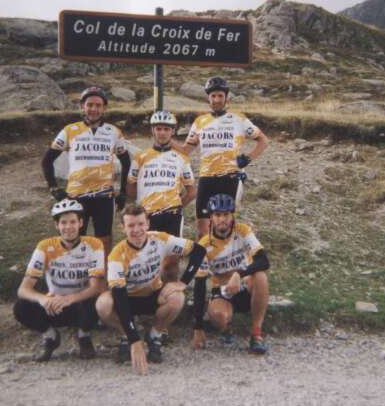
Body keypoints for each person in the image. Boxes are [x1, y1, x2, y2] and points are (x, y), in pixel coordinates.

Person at [96, 205, 206, 375]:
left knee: (178, 298)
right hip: (127, 298)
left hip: (153, 294)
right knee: (103, 304)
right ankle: (125, 335)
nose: (137, 230)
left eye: (140, 224)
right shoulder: (116, 255)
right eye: (131, 226)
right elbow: (119, 297)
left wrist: (183, 282)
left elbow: (199, 250)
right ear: (122, 228)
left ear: (148, 224)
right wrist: (134, 339)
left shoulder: (160, 239)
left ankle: (155, 334)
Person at [172, 76, 268, 238]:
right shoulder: (200, 122)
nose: (216, 100)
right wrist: (168, 139)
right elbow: (185, 150)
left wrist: (249, 158)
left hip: (229, 178)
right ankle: (204, 261)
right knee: (202, 228)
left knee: (225, 227)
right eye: (213, 96)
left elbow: (263, 140)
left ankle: (225, 260)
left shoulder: (238, 119)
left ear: (226, 97)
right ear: (208, 98)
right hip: (206, 178)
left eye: (220, 96)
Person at [42, 86, 131, 255]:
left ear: (104, 108)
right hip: (76, 195)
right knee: (74, 240)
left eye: (98, 105)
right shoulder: (69, 130)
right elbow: (47, 160)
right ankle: (78, 275)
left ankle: (102, 276)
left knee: (104, 241)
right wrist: (53, 188)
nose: (94, 109)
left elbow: (126, 161)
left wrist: (123, 192)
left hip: (104, 196)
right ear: (82, 106)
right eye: (90, 105)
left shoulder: (113, 132)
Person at [14, 199, 105, 361]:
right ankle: (50, 336)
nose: (68, 227)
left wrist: (69, 299)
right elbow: (23, 289)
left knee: (97, 300)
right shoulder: (44, 246)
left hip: (81, 304)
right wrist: (42, 299)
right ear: (57, 225)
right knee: (21, 307)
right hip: (54, 306)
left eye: (72, 222)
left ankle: (84, 336)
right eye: (63, 222)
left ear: (81, 223)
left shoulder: (94, 245)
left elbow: (96, 287)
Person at [191, 194, 270, 355]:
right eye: (218, 215)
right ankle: (227, 327)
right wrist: (197, 327)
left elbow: (264, 261)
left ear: (232, 215)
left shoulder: (242, 230)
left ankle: (256, 335)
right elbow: (199, 286)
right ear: (211, 217)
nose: (222, 219)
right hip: (222, 292)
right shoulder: (204, 245)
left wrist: (239, 274)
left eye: (226, 214)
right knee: (219, 316)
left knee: (260, 276)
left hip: (244, 286)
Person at [126, 109, 197, 281]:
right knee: (145, 260)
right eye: (158, 128)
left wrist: (178, 205)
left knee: (171, 263)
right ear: (152, 130)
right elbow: (130, 188)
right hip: (147, 216)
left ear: (173, 131)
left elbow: (192, 190)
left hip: (172, 215)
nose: (163, 133)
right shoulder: (140, 157)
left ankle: (170, 297)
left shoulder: (182, 158)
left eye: (167, 129)